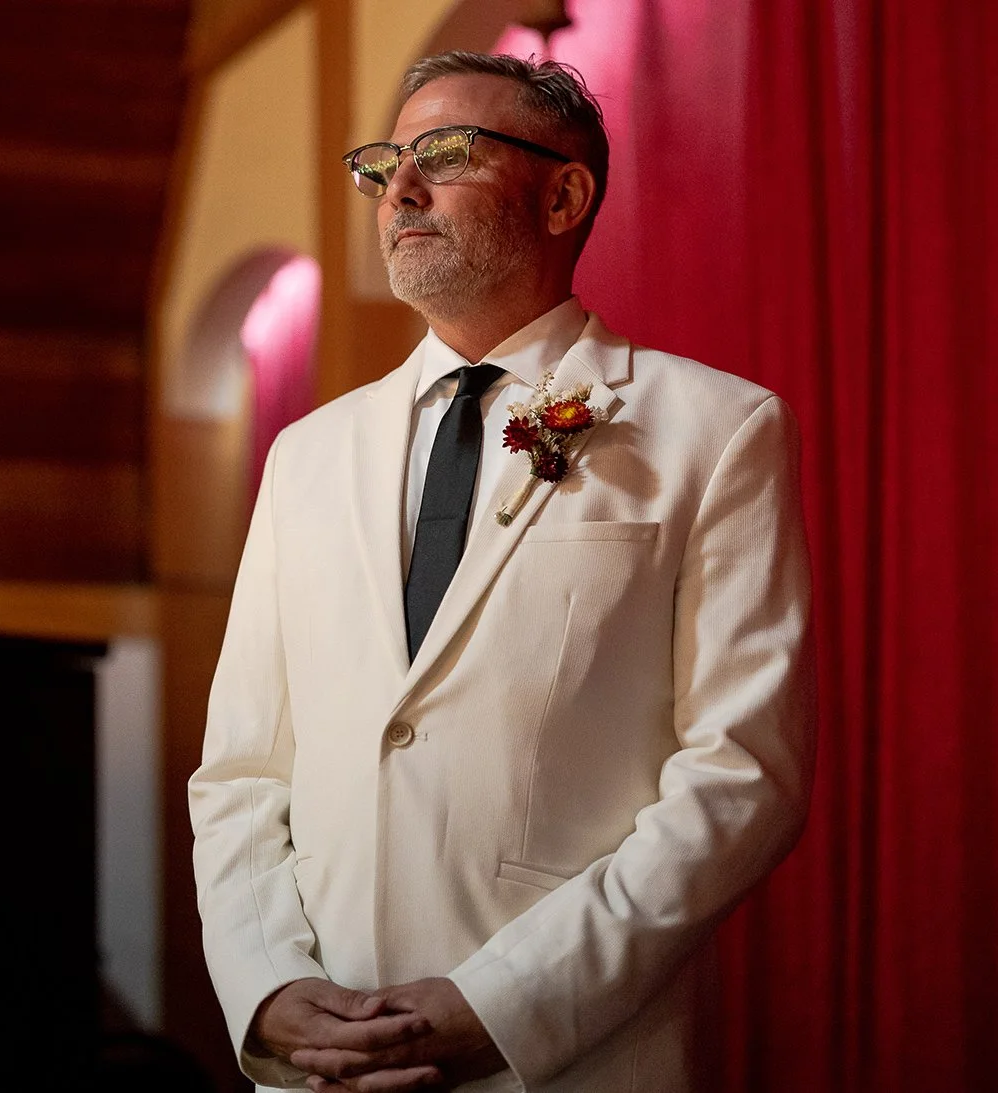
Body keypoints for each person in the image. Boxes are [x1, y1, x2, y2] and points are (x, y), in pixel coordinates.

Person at [188, 52, 814, 1093]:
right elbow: (245, 768)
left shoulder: (713, 429)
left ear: (564, 193)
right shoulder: (305, 453)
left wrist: (504, 1002)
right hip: (318, 1063)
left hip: (561, 1055)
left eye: (443, 154)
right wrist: (266, 989)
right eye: (384, 162)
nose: (400, 189)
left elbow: (742, 773)